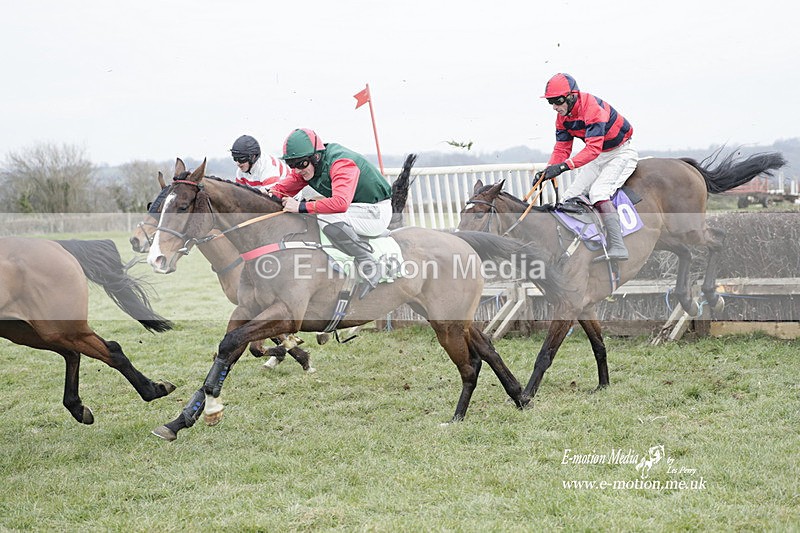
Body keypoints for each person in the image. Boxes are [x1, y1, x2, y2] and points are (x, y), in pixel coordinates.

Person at [269, 128, 392, 298]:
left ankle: (369, 264)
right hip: (356, 210)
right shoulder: (308, 167)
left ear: (316, 157)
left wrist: (300, 207)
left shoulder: (341, 163)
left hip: (375, 212)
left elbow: (340, 203)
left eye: (301, 164)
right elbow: (279, 190)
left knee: (326, 216)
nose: (296, 170)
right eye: (291, 165)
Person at [536, 73, 637, 261]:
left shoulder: (592, 109)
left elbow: (593, 148)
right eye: (550, 102)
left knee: (598, 192)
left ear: (571, 96)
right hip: (599, 157)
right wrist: (549, 170)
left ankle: (618, 246)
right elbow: (562, 148)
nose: (554, 107)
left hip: (620, 153)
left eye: (557, 101)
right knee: (568, 197)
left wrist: (562, 167)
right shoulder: (562, 117)